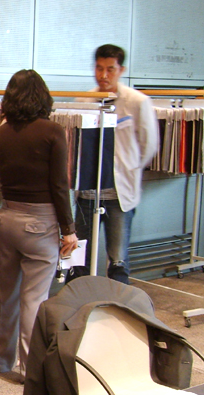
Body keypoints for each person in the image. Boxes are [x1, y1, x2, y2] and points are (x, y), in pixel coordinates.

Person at [0, 70, 78, 379]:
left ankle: (0, 361)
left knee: (5, 295)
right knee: (34, 299)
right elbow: (59, 186)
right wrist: (69, 229)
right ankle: (31, 369)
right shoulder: (53, 132)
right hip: (41, 223)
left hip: (7, 217)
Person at [66, 44, 158, 284]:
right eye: (99, 68)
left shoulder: (137, 102)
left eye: (110, 69)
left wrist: (128, 168)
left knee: (118, 259)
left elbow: (148, 145)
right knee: (79, 256)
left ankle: (119, 304)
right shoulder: (84, 99)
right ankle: (78, 302)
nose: (103, 75)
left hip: (120, 193)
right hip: (88, 192)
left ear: (121, 70)